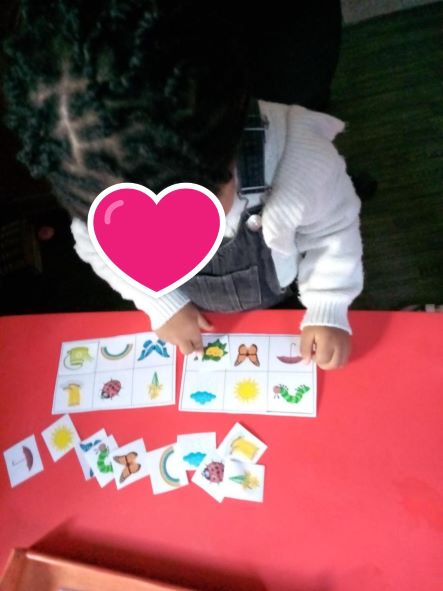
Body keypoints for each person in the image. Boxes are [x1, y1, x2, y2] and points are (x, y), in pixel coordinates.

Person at [2, 0, 362, 370]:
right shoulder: (95, 196)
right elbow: (97, 250)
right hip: (195, 310)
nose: (169, 238)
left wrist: (327, 304)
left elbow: (332, 231)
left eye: (189, 215)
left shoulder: (303, 162)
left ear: (230, 153)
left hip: (286, 292)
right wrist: (163, 304)